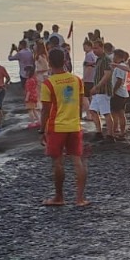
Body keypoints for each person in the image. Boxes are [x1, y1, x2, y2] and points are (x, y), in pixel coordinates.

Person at [41, 48, 89, 205]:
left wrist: (42, 130)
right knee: (78, 161)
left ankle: (59, 197)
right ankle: (80, 199)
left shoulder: (48, 83)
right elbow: (80, 103)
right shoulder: (77, 80)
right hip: (74, 125)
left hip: (57, 126)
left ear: (49, 62)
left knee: (58, 162)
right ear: (65, 61)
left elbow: (45, 110)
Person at [88, 41, 112, 139]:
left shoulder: (106, 59)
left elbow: (107, 75)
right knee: (93, 110)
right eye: (93, 48)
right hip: (98, 91)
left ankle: (110, 135)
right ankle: (99, 132)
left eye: (96, 48)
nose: (94, 50)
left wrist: (97, 86)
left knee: (106, 112)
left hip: (103, 90)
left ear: (102, 47)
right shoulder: (98, 60)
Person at [108, 49, 130, 140]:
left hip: (118, 93)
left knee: (115, 113)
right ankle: (121, 131)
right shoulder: (122, 66)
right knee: (121, 112)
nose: (113, 58)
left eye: (114, 56)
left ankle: (115, 131)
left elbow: (119, 81)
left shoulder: (120, 67)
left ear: (118, 57)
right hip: (123, 93)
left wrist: (113, 91)